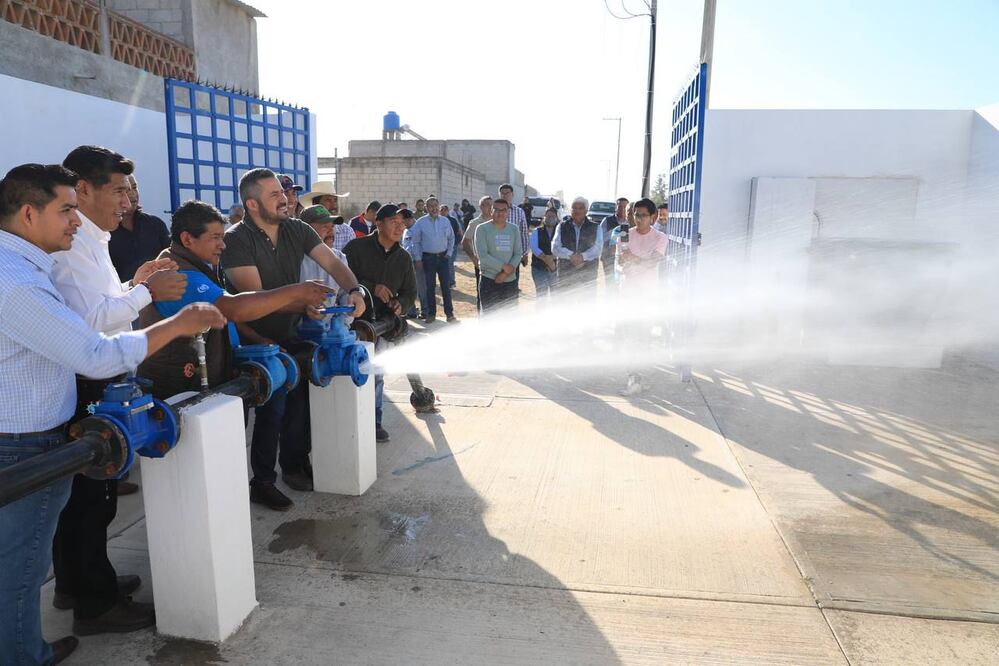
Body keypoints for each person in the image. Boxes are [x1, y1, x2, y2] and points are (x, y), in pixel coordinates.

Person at [0, 163, 226, 664]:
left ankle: (27, 644)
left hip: (29, 435)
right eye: (66, 211)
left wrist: (134, 286)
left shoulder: (23, 266)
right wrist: (178, 324)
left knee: (23, 559)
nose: (75, 222)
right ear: (29, 212)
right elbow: (94, 353)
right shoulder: (18, 282)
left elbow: (81, 318)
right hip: (23, 444)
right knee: (18, 572)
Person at [50, 146, 188, 637]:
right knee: (93, 495)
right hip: (89, 378)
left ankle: (77, 582)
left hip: (97, 371)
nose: (127, 201)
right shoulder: (73, 246)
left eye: (130, 191)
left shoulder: (93, 239)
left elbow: (103, 303)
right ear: (82, 190)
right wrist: (149, 293)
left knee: (87, 496)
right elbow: (88, 321)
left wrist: (136, 282)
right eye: (118, 190)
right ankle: (95, 603)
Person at [221, 169, 366, 511]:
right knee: (271, 410)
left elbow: (331, 262)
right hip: (250, 337)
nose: (284, 199)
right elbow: (253, 298)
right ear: (252, 204)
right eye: (274, 195)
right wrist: (301, 300)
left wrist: (355, 289)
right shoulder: (236, 239)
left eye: (282, 194)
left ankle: (295, 465)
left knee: (299, 401)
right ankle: (262, 482)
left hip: (290, 331)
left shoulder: (296, 228)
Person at [138, 201, 331, 399]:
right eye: (215, 238)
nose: (222, 244)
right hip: (179, 392)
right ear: (187, 239)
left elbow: (221, 316)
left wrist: (258, 339)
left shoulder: (195, 264)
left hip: (208, 381)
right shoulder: (179, 274)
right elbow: (233, 309)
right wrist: (296, 291)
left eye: (222, 237)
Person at [343, 204, 417, 443]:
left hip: (383, 327)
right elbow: (343, 278)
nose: (400, 226)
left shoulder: (404, 257)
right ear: (378, 223)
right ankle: (347, 419)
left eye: (402, 222)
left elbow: (409, 292)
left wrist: (400, 306)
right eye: (394, 221)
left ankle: (374, 422)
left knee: (376, 374)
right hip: (353, 323)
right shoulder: (356, 248)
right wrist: (371, 286)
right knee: (346, 374)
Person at [614, 198, 668, 395]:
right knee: (630, 337)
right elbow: (619, 262)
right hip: (628, 294)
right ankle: (633, 378)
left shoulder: (660, 238)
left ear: (653, 217)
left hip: (648, 296)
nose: (639, 219)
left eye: (644, 215)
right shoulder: (624, 235)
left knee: (644, 338)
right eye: (636, 214)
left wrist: (634, 260)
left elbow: (653, 262)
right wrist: (625, 265)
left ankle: (639, 378)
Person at [108, 174, 170, 282]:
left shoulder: (155, 224)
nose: (132, 194)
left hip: (159, 293)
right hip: (123, 296)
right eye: (126, 190)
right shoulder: (105, 231)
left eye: (135, 187)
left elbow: (170, 258)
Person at [408, 195, 455, 323]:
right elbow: (415, 242)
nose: (434, 208)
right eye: (430, 206)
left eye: (436, 206)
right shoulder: (421, 223)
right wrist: (418, 258)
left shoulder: (445, 221)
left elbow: (451, 238)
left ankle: (449, 314)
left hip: (443, 258)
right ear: (426, 208)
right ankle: (431, 314)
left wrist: (449, 253)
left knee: (446, 286)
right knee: (430, 287)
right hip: (427, 259)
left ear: (439, 207)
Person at [474, 197, 522, 312]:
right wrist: (503, 267)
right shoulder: (481, 229)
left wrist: (504, 274)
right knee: (490, 317)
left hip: (510, 281)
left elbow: (518, 254)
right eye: (496, 210)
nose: (500, 213)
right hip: (489, 280)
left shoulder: (514, 229)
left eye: (503, 210)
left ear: (508, 212)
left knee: (509, 318)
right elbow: (483, 256)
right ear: (491, 211)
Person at [552, 196, 604, 288]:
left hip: (588, 276)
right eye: (574, 208)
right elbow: (555, 247)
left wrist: (582, 257)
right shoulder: (561, 226)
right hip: (566, 276)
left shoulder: (596, 227)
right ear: (570, 210)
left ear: (586, 211)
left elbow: (598, 248)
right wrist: (571, 255)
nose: (577, 211)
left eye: (580, 208)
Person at [461, 195, 492, 312]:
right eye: (486, 204)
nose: (489, 207)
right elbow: (465, 242)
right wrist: (474, 259)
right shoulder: (475, 223)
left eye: (491, 204)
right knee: (482, 293)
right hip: (482, 264)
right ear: (480, 206)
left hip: (498, 264)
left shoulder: (498, 221)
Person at [498, 184, 530, 283]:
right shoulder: (494, 211)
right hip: (496, 253)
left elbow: (524, 233)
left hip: (513, 255)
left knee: (512, 283)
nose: (504, 195)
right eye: (502, 193)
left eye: (507, 193)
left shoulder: (519, 212)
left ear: (512, 194)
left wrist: (525, 253)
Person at [400, 208, 425, 318]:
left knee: (421, 287)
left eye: (403, 221)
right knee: (408, 287)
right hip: (408, 263)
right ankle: (411, 311)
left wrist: (419, 259)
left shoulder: (418, 229)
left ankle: (425, 311)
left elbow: (417, 246)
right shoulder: (406, 230)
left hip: (418, 262)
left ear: (409, 219)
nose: (402, 223)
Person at [530, 207, 560, 299]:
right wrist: (547, 259)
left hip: (556, 269)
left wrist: (553, 258)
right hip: (538, 268)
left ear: (557, 218)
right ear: (544, 217)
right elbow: (534, 248)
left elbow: (562, 247)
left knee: (556, 296)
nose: (550, 218)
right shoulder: (536, 231)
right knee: (541, 295)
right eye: (548, 216)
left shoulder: (561, 231)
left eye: (553, 216)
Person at [601, 197, 629, 286]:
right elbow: (600, 238)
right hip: (609, 256)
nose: (622, 209)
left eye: (625, 207)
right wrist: (616, 232)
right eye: (620, 206)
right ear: (616, 207)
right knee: (610, 283)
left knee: (624, 283)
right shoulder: (607, 220)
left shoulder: (631, 222)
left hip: (625, 257)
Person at [441, 205, 463, 288]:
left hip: (452, 245)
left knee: (449, 263)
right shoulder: (438, 220)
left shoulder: (453, 220)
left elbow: (459, 231)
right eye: (441, 210)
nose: (443, 211)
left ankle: (451, 282)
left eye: (445, 210)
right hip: (442, 246)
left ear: (448, 210)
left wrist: (460, 241)